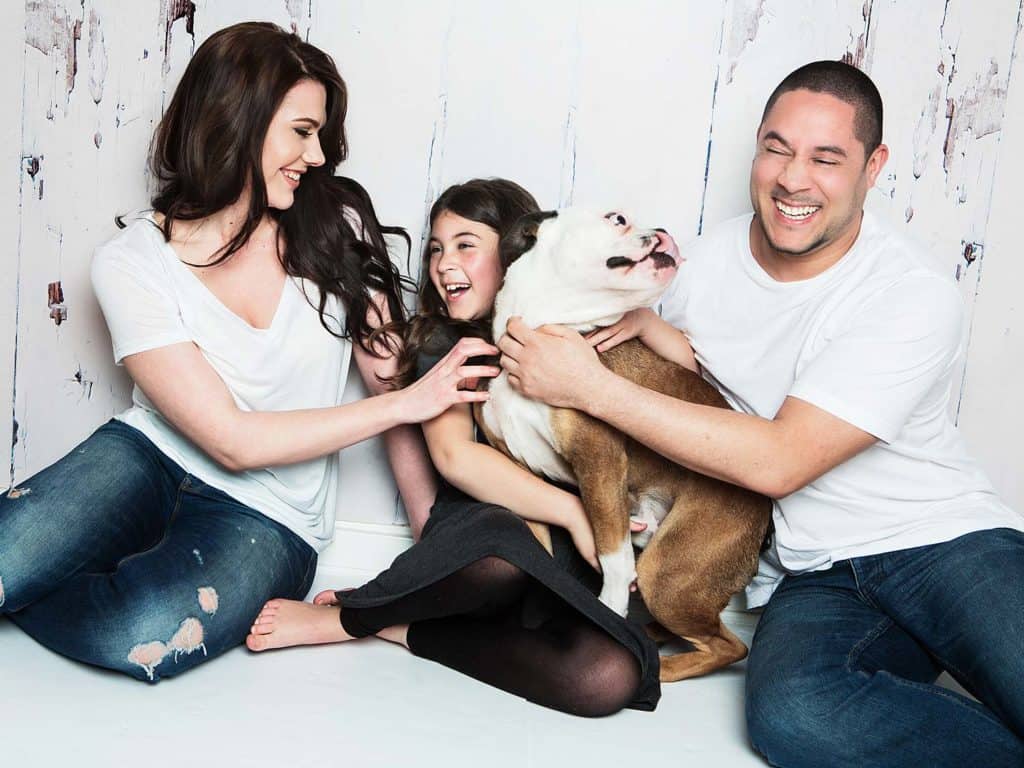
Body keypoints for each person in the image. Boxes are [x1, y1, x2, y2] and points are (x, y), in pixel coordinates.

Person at [498, 61, 1024, 764]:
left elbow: (781, 460)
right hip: (816, 573)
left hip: (946, 543)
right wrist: (647, 329)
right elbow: (688, 379)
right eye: (777, 148)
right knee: (794, 715)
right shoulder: (693, 267)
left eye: (826, 158)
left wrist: (587, 386)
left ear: (875, 167)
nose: (793, 178)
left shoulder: (911, 293)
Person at [0, 22, 493, 682]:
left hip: (270, 512)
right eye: (300, 131)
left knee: (139, 634)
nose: (316, 155)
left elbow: (389, 387)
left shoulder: (333, 224)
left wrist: (428, 540)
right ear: (239, 120)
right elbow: (231, 438)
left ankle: (83, 583)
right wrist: (410, 399)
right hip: (148, 455)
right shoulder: (130, 262)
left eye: (320, 133)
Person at [245, 178, 661, 717]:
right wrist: (575, 513)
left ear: (518, 252)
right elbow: (454, 459)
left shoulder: (566, 333)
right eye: (437, 248)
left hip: (561, 547)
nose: (444, 264)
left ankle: (407, 629)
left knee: (607, 677)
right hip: (485, 532)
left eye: (466, 244)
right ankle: (352, 617)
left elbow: (664, 391)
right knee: (497, 553)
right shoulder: (448, 342)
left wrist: (646, 320)